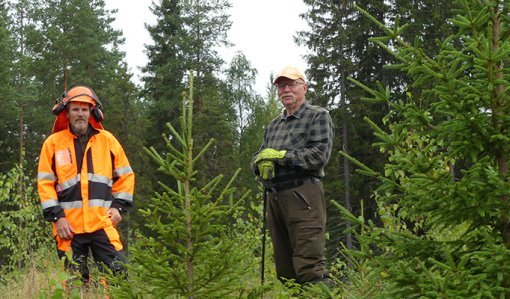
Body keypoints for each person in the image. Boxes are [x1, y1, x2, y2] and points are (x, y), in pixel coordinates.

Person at [37, 85, 135, 284]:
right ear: (67, 113)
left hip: (101, 222)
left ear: (92, 112)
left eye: (84, 109)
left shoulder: (107, 141)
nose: (80, 114)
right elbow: (45, 184)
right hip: (68, 227)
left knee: (119, 277)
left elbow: (126, 176)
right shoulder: (53, 143)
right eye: (75, 109)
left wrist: (118, 208)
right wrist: (58, 217)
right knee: (73, 284)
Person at [252, 66, 334, 286]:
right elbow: (258, 155)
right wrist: (260, 163)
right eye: (281, 86)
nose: (285, 89)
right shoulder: (273, 126)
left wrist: (281, 157)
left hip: (303, 196)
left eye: (291, 84)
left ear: (304, 88)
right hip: (274, 198)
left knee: (309, 265)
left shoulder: (317, 116)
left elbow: (319, 155)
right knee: (285, 269)